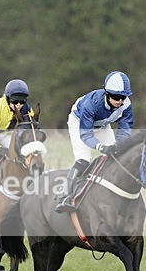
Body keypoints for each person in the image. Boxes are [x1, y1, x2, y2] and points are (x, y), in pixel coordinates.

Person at [54, 70, 134, 213]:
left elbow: (124, 131)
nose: (120, 101)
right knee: (84, 160)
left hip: (102, 125)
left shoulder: (126, 105)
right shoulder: (91, 103)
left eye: (123, 97)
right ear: (107, 93)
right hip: (79, 123)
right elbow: (86, 135)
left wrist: (120, 146)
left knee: (117, 157)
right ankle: (64, 195)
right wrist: (101, 147)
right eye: (116, 97)